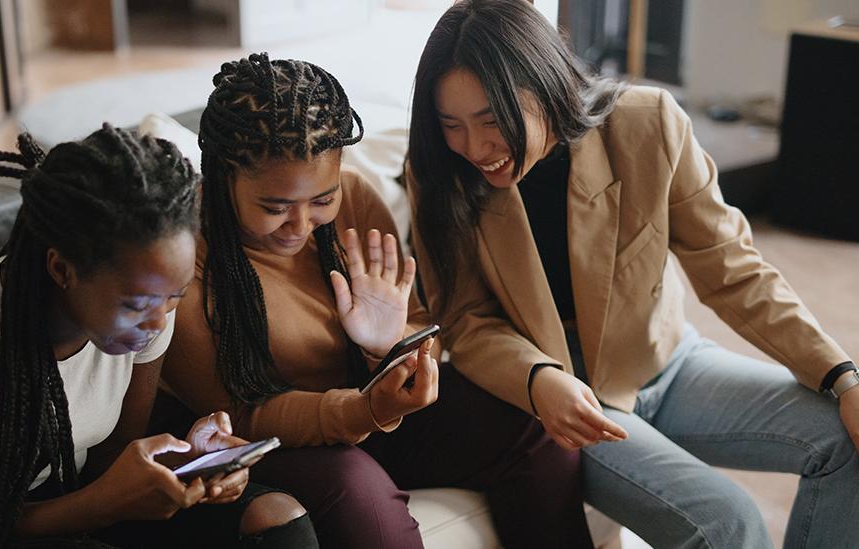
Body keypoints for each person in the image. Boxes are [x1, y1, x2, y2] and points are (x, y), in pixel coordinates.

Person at [406, 1, 859, 547]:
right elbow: (465, 320)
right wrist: (538, 380)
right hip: (567, 398)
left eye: (492, 119)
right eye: (452, 125)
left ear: (546, 85)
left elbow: (734, 270)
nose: (476, 147)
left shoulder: (649, 124)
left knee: (846, 434)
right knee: (728, 519)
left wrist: (841, 375)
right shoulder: (441, 175)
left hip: (666, 362)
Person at [158, 53, 594, 549]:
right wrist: (363, 410)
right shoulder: (184, 250)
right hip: (266, 440)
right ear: (222, 178)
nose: (301, 227)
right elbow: (237, 410)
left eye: (322, 200)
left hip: (366, 407)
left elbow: (416, 327)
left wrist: (390, 346)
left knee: (534, 433)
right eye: (275, 208)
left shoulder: (356, 200)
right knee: (359, 491)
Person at [0, 125, 318, 548]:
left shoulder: (148, 315)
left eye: (174, 297)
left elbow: (113, 458)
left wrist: (187, 461)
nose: (157, 324)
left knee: (276, 520)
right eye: (135, 305)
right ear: (61, 269)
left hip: (78, 500)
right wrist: (106, 504)